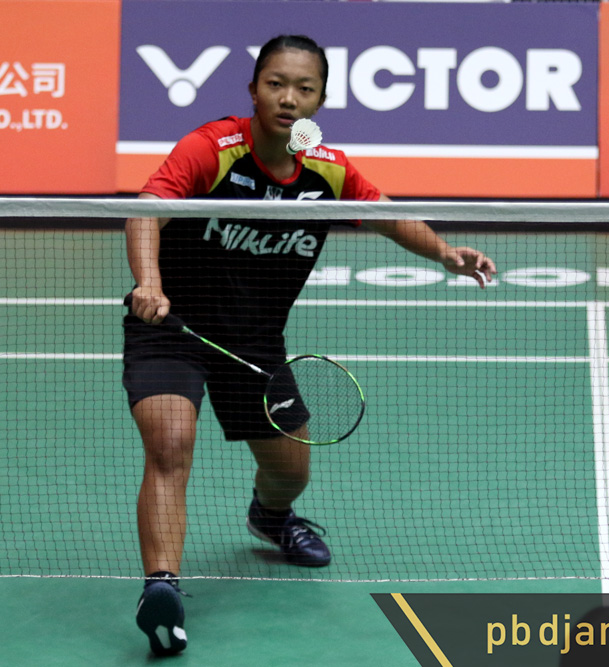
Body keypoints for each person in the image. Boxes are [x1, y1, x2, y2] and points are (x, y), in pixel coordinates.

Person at [124, 34, 497, 657]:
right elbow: (146, 210)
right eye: (275, 84)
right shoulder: (212, 149)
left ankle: (270, 517)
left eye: (304, 88)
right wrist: (150, 283)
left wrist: (444, 253)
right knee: (170, 443)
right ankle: (160, 588)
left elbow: (383, 212)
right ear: (253, 90)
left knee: (290, 470)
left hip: (253, 342)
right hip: (173, 324)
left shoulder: (327, 169)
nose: (288, 99)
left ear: (320, 100)